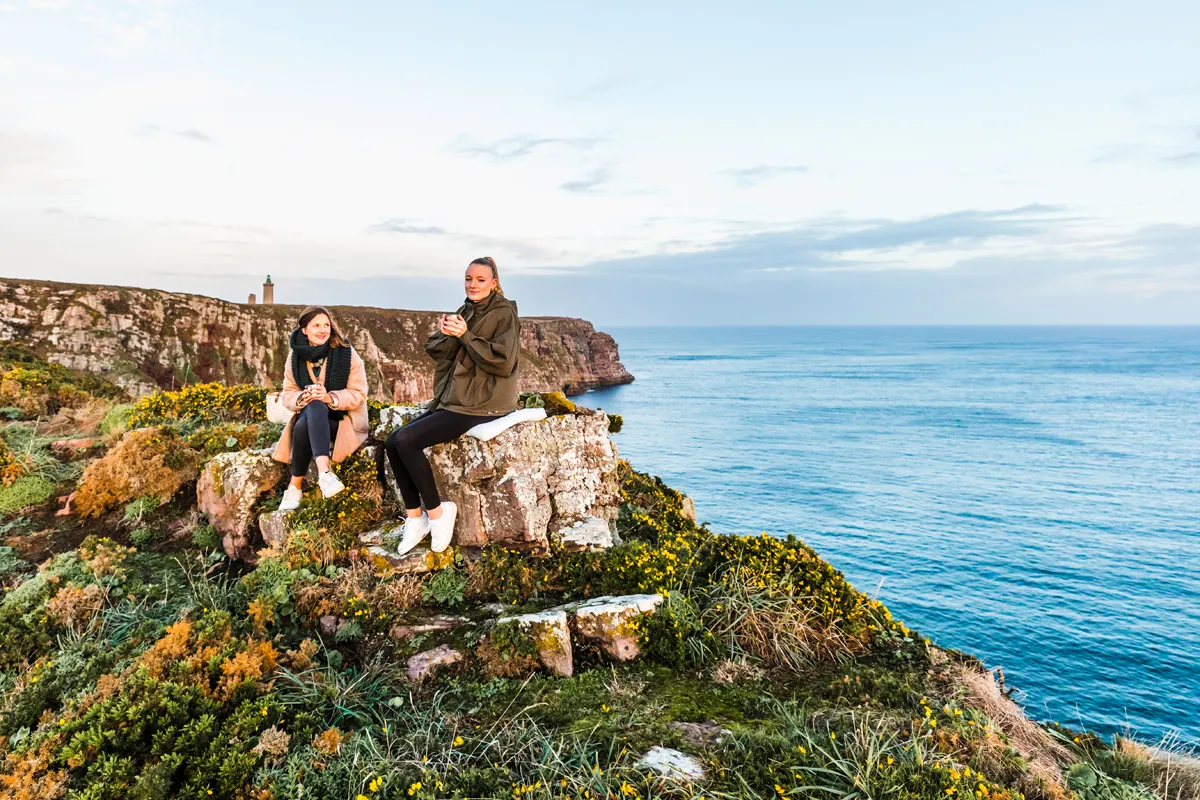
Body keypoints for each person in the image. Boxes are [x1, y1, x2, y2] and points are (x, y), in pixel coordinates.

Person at [386, 256, 520, 555]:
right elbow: (439, 351)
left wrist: (465, 335)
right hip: (457, 396)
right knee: (392, 441)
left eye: (480, 280)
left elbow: (502, 362)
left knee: (408, 440)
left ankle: (438, 513)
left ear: (494, 283)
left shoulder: (504, 313)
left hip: (483, 402)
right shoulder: (466, 310)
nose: (473, 284)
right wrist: (449, 332)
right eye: (468, 278)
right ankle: (415, 518)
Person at [272, 306, 370, 512]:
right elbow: (288, 393)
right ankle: (324, 474)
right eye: (316, 325)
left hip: (342, 420)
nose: (323, 330)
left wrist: (329, 397)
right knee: (309, 412)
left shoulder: (346, 352)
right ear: (304, 330)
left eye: (326, 324)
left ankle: (294, 487)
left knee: (311, 412)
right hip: (311, 417)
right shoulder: (294, 357)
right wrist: (302, 397)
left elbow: (359, 394)